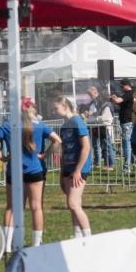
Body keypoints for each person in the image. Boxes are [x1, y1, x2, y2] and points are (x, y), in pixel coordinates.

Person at [0, 98, 60, 250]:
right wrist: (45, 155)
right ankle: (36, 244)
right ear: (32, 108)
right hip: (34, 170)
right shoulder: (40, 126)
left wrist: (2, 157)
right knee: (36, 207)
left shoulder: (8, 125)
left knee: (11, 208)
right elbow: (57, 140)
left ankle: (7, 246)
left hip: (14, 171)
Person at [53, 97, 93, 239]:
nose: (54, 111)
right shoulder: (64, 127)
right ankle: (77, 234)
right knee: (74, 204)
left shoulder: (77, 122)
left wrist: (78, 170)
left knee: (73, 203)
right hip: (68, 168)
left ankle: (88, 236)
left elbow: (86, 147)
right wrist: (62, 173)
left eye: (56, 108)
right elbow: (64, 151)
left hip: (79, 169)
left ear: (65, 106)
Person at [85, 85, 115, 171]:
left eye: (91, 94)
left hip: (104, 126)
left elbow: (105, 117)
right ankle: (106, 164)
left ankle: (110, 164)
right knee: (104, 146)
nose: (91, 97)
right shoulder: (96, 102)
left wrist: (94, 117)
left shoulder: (105, 104)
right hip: (99, 126)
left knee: (107, 146)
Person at [110, 81, 136, 170]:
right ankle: (135, 164)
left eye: (122, 86)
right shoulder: (128, 94)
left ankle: (126, 167)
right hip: (126, 122)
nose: (121, 88)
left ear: (126, 85)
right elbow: (119, 102)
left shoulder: (128, 94)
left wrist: (113, 97)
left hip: (126, 122)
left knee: (127, 144)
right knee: (129, 144)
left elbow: (118, 101)